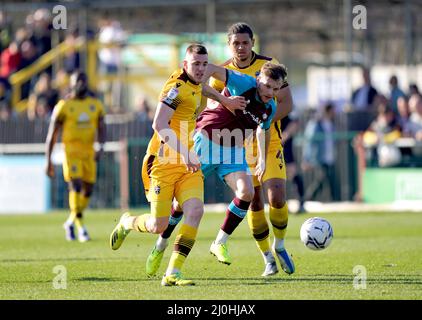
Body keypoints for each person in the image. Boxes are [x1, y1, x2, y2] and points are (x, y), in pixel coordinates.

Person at [146, 22, 295, 278]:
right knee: (181, 205)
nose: (269, 92)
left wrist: (259, 159)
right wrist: (207, 89)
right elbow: (208, 72)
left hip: (234, 148)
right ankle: (160, 243)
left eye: (274, 89)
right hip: (206, 140)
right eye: (266, 86)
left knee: (247, 192)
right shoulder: (239, 80)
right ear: (258, 79)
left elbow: (263, 128)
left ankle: (220, 243)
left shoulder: (270, 106)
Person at [108, 44, 246, 286]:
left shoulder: (194, 82)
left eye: (205, 64)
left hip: (186, 162)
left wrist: (225, 100)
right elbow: (159, 124)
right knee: (156, 225)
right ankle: (127, 222)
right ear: (185, 65)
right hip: (163, 162)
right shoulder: (175, 88)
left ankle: (173, 272)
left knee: (195, 211)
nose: (201, 69)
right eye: (196, 64)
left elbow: (202, 88)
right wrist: (185, 153)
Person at [45, 71, 106, 242]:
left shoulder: (95, 105)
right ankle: (82, 229)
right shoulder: (64, 106)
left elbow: (102, 128)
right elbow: (52, 135)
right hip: (71, 152)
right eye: (77, 81)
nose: (80, 84)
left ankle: (70, 221)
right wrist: (47, 160)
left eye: (83, 81)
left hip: (89, 152)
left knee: (88, 190)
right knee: (76, 186)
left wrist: (101, 146)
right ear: (71, 84)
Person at [302, 103, 337, 202]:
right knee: (321, 178)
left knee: (326, 179)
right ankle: (308, 198)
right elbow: (309, 142)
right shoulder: (316, 123)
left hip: (330, 157)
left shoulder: (332, 123)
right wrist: (306, 159)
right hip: (318, 158)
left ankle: (328, 200)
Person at [280, 114, 306, 213]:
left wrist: (284, 135)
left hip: (285, 149)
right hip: (275, 148)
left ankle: (301, 203)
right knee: (281, 178)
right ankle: (283, 205)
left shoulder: (287, 106)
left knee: (292, 174)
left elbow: (294, 123)